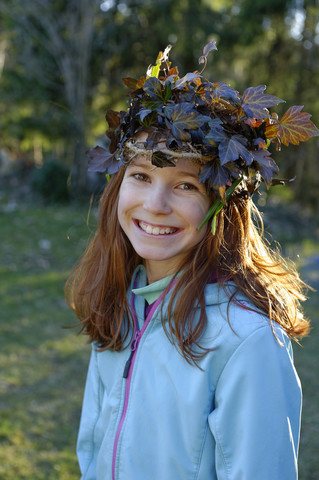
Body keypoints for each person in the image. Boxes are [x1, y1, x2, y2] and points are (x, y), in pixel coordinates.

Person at [65, 42, 318, 480]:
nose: (155, 204)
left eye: (186, 186)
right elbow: (93, 446)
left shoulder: (247, 341)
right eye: (141, 176)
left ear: (223, 205)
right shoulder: (119, 303)